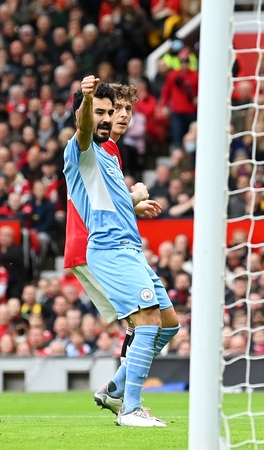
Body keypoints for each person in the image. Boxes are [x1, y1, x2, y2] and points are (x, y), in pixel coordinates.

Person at [63, 75, 173, 427]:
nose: (109, 118)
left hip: (130, 247)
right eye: (101, 112)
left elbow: (105, 200)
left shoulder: (110, 153)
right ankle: (130, 408)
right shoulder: (81, 147)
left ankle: (116, 389)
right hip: (108, 249)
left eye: (113, 112)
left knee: (167, 325)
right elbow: (83, 129)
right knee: (145, 321)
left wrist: (132, 205)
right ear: (86, 113)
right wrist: (86, 98)